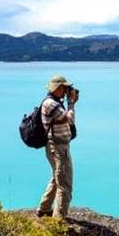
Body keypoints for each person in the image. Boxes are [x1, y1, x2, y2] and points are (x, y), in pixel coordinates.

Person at [36, 75, 78, 219]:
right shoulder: (51, 104)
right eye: (65, 88)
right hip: (58, 147)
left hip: (56, 146)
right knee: (65, 184)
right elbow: (69, 119)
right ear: (59, 88)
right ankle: (58, 220)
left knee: (57, 177)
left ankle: (44, 208)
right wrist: (71, 103)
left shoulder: (54, 102)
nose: (67, 90)